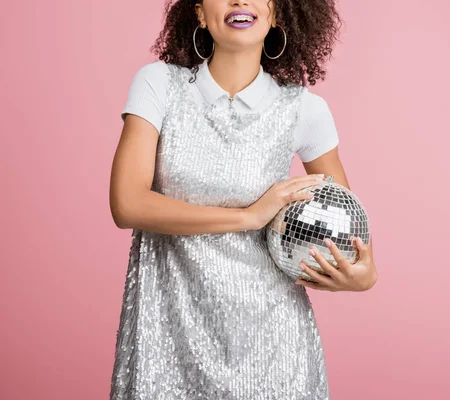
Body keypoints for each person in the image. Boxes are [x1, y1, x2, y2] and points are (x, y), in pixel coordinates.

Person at [108, 0, 378, 398]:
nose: (240, 0)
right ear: (200, 12)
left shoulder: (304, 110)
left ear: (279, 13)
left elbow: (346, 228)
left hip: (273, 349)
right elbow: (127, 204)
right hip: (166, 336)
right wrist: (249, 217)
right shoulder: (158, 85)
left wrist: (363, 276)